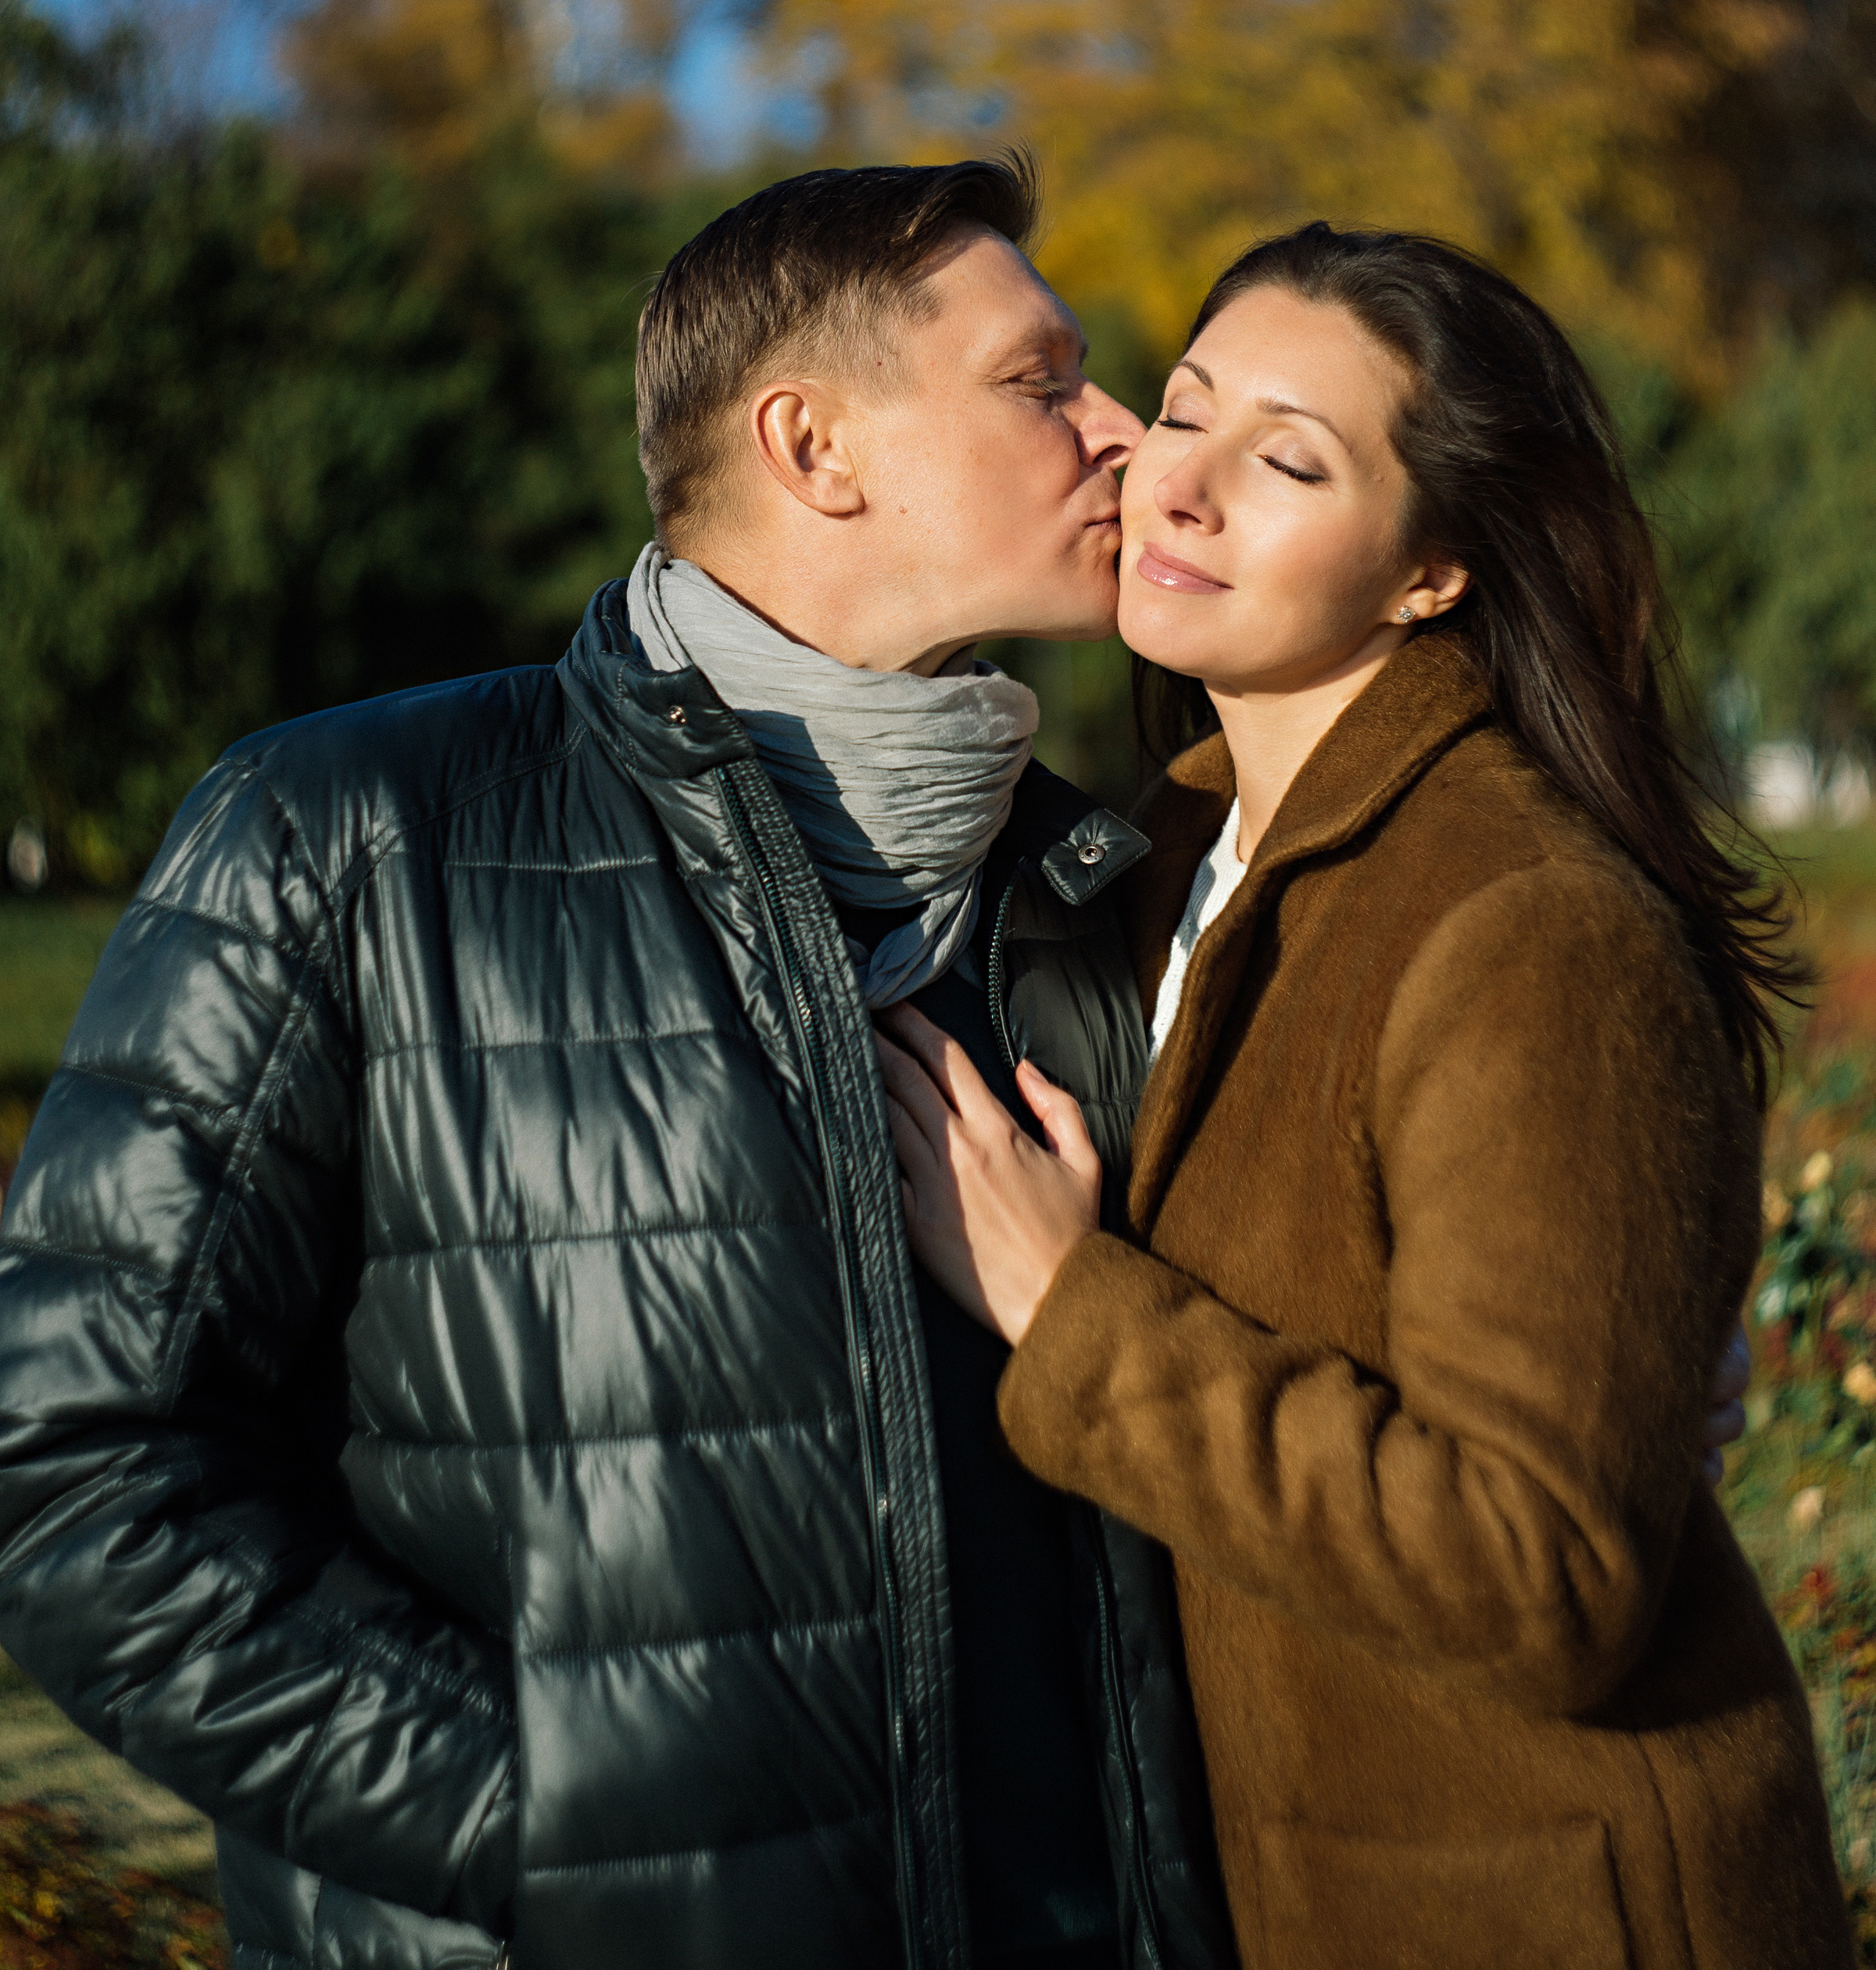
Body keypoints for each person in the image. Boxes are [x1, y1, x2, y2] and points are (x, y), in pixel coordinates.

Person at [0, 164, 1742, 1970]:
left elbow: (1431, 1339)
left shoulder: (1110, 899)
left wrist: (1657, 1287)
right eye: (1041, 379)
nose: (1126, 434)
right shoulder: (352, 836)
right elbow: (76, 1477)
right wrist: (568, 1830)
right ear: (816, 448)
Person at [879, 220, 1849, 1970]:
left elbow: (1539, 1574)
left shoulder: (1525, 925)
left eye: (1291, 459)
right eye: (1183, 413)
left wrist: (1065, 1309)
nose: (1185, 489)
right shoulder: (1164, 860)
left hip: (1554, 1906)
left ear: (1431, 572)